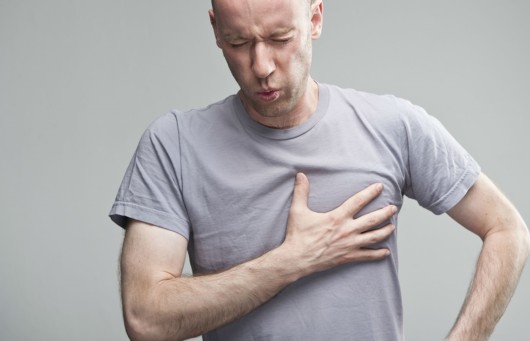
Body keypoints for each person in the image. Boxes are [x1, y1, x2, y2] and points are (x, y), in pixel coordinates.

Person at [109, 1, 530, 340]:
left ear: (314, 18)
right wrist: (291, 261)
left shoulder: (392, 125)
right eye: (239, 42)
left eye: (279, 37)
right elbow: (146, 319)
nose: (261, 66)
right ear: (216, 29)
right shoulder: (174, 144)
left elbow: (507, 230)